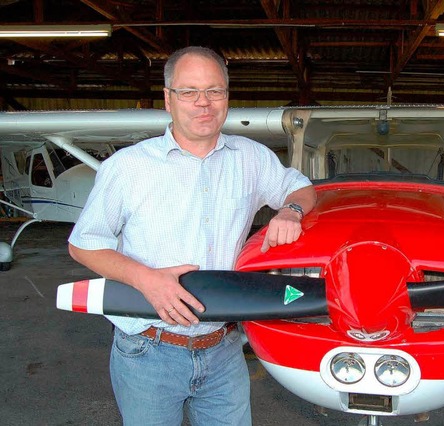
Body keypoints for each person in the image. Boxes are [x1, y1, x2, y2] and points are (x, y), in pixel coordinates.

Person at [68, 46, 316, 426]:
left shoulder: (251, 158)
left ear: (227, 97)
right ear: (168, 99)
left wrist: (290, 209)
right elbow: (84, 244)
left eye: (215, 91)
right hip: (148, 349)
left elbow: (300, 188)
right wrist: (147, 281)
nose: (204, 103)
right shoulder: (127, 167)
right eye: (189, 92)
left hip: (224, 347)